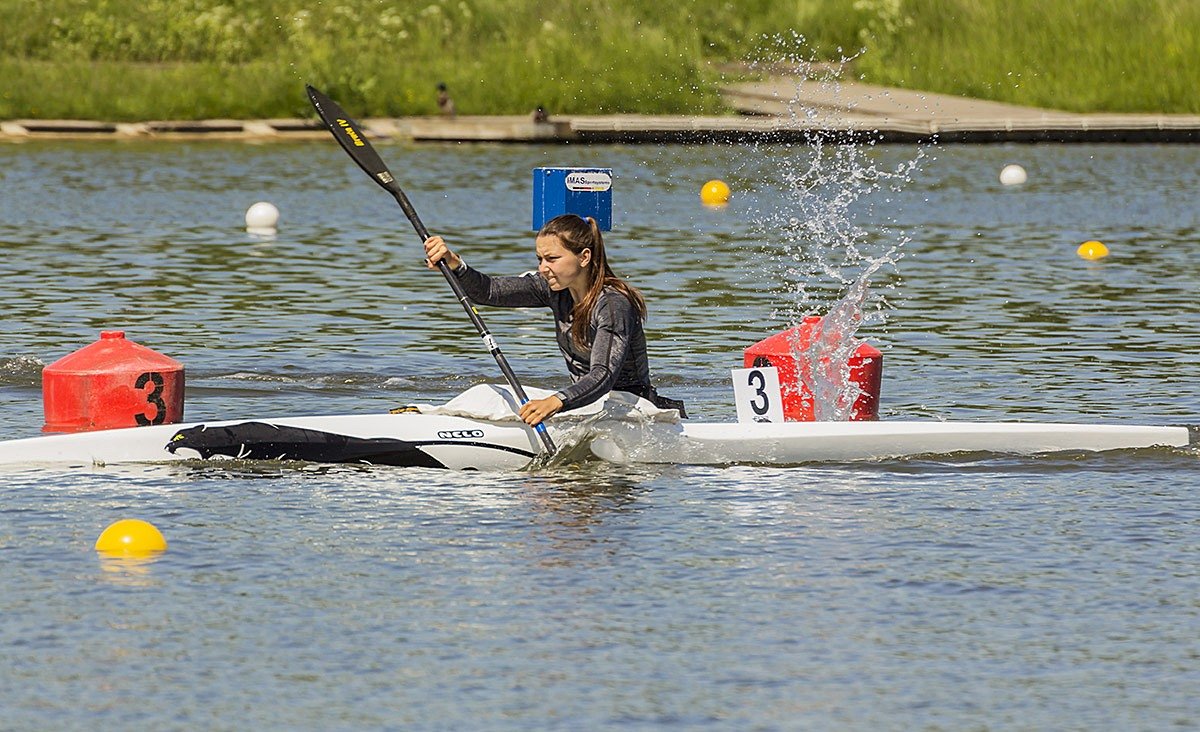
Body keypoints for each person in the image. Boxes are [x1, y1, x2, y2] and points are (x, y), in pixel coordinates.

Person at [423, 214, 685, 427]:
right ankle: (427, 417)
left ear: (584, 257)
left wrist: (556, 401)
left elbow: (603, 374)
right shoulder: (553, 288)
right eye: (540, 259)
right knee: (487, 393)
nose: (542, 268)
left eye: (552, 259)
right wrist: (454, 263)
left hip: (629, 408)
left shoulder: (614, 304)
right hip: (583, 404)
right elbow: (488, 291)